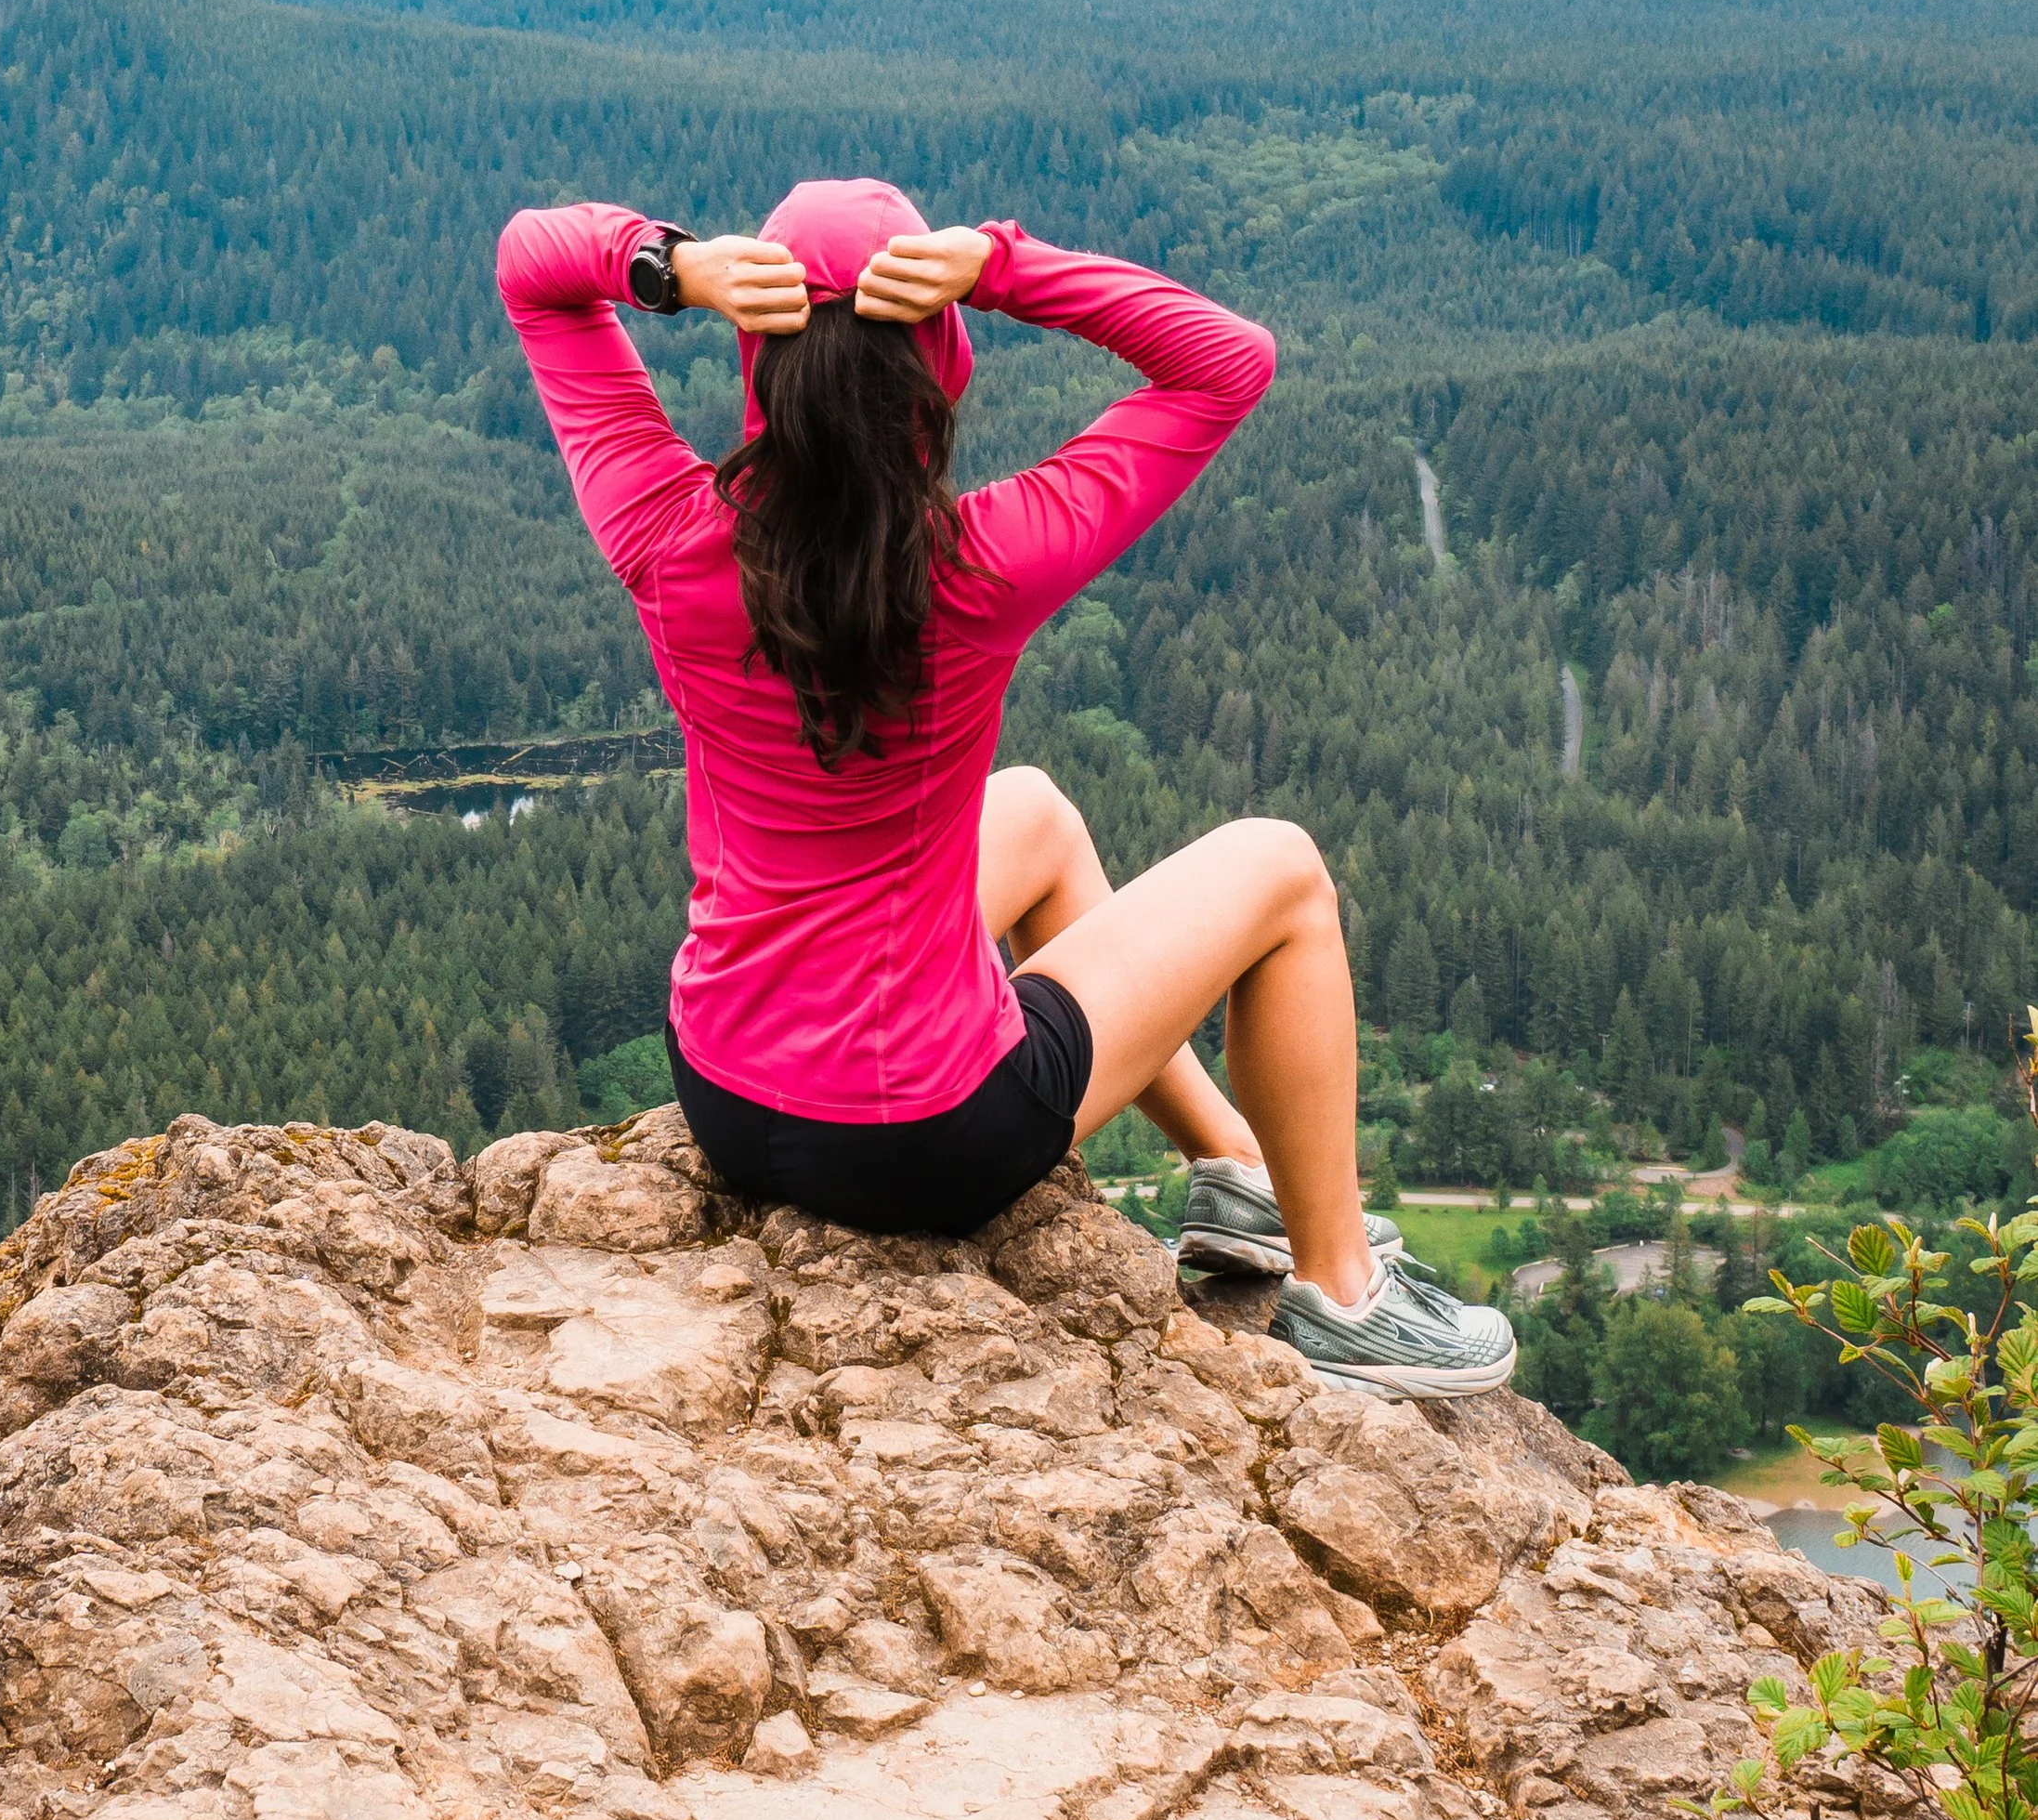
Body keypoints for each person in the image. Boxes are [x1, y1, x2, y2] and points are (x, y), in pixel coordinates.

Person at [497, 178, 1514, 1395]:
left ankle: (1237, 1167)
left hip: (723, 1085)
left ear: (762, 370)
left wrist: (673, 267)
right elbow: (1224, 361)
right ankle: (1342, 1295)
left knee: (1030, 807)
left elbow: (532, 264)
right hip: (923, 1142)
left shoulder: (668, 539)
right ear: (935, 380)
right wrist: (996, 263)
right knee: (1284, 868)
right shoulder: (983, 565)